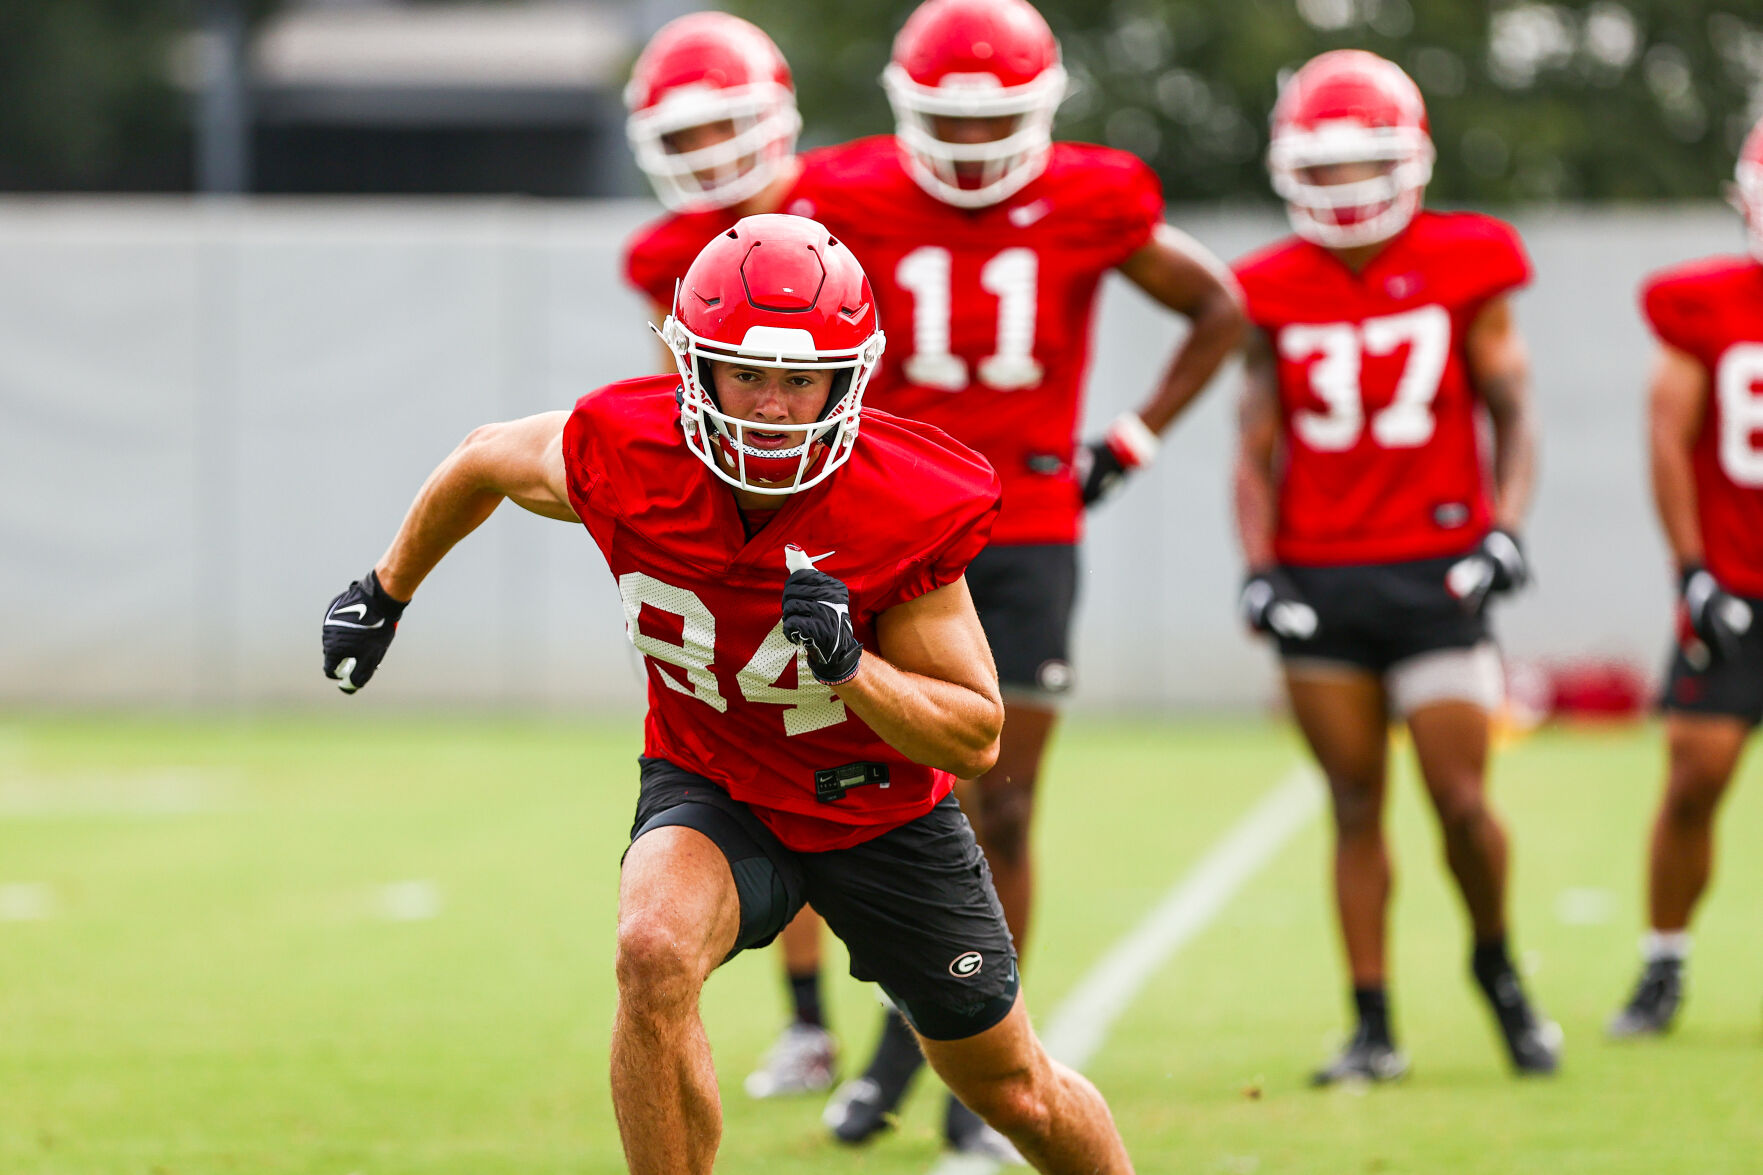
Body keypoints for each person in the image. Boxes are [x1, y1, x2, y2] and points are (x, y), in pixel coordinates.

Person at [320, 214, 1137, 1175]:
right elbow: (484, 456)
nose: (773, 408)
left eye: (800, 380)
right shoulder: (624, 448)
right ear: (693, 367)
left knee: (1013, 1090)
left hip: (874, 810)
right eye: (746, 374)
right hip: (716, 781)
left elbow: (975, 735)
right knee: (651, 949)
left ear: (849, 379)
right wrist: (384, 591)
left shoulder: (902, 499)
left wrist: (851, 666)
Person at [782, 0, 1244, 1148]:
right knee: (862, 784)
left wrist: (1126, 441)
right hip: (884, 529)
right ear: (906, 110)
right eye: (948, 120)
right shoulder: (838, 193)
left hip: (1024, 525)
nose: (974, 145)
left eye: (993, 121)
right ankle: (895, 1045)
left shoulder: (1094, 195)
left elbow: (1217, 305)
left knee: (1004, 798)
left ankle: (954, 1066)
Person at [1230, 50, 1559, 1084]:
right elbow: (1253, 446)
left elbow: (1512, 408)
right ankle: (1370, 1022)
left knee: (1460, 798)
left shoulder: (1469, 258)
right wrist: (1257, 568)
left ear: (1407, 158)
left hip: (1434, 570)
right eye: (1319, 169)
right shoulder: (1267, 286)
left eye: (1359, 163)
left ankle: (1497, 966)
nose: (1340, 188)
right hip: (1319, 575)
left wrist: (1502, 526)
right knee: (1353, 801)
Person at [621, 10, 837, 1101]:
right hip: (747, 537)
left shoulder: (854, 205)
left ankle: (930, 1003)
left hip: (873, 509)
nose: (707, 158)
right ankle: (809, 1022)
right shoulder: (664, 257)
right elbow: (692, 406)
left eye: (724, 132)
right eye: (687, 138)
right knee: (761, 769)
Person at [1609, 117, 1763, 1037]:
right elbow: (1666, 431)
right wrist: (1692, 569)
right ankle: (1663, 961)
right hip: (1736, 583)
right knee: (1694, 778)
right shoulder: (1701, 303)